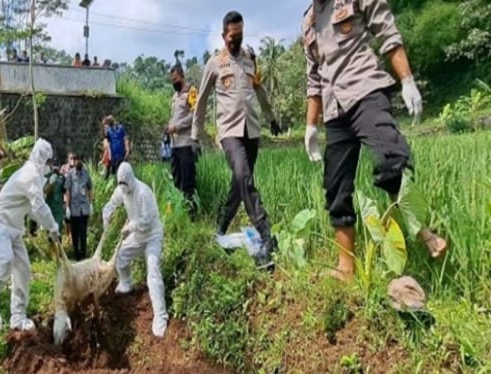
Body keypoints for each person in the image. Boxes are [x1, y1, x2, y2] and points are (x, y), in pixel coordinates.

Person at [301, 0, 447, 282]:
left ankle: (423, 232)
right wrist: (310, 126)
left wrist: (407, 80)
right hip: (334, 110)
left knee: (391, 157)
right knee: (336, 189)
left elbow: (387, 32)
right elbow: (313, 79)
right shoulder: (308, 21)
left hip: (366, 90)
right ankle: (346, 268)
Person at [191, 11, 282, 271]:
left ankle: (220, 227)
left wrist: (272, 117)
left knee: (239, 183)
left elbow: (259, 88)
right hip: (229, 132)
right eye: (232, 38)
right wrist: (196, 136)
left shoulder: (250, 58)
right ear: (223, 36)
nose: (236, 42)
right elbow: (201, 102)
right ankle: (266, 234)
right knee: (244, 176)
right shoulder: (214, 64)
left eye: (240, 36)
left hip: (251, 130)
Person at [0, 138, 60, 331]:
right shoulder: (30, 176)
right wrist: (53, 227)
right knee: (4, 260)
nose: (49, 166)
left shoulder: (34, 177)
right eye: (48, 162)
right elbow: (40, 206)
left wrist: (48, 229)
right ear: (41, 160)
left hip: (13, 228)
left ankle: (18, 317)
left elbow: (33, 211)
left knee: (23, 270)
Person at [102, 162, 168, 338]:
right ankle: (126, 283)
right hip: (137, 237)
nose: (123, 188)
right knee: (121, 257)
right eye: (121, 185)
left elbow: (147, 221)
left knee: (153, 270)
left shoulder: (143, 192)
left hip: (152, 235)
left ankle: (160, 316)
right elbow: (112, 203)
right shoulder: (121, 191)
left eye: (125, 185)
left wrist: (130, 227)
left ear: (131, 179)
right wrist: (106, 215)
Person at [167, 63, 198, 219]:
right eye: (172, 80)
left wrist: (177, 126)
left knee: (188, 181)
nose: (174, 82)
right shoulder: (174, 97)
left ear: (182, 76)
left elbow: (194, 116)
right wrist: (170, 127)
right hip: (174, 145)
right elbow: (175, 116)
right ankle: (180, 213)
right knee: (177, 180)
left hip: (186, 144)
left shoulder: (191, 92)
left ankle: (192, 215)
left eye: (176, 79)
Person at [65, 153, 94, 261]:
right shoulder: (70, 175)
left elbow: (90, 189)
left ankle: (83, 255)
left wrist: (91, 203)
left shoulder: (86, 174)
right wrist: (67, 207)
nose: (78, 162)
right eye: (76, 160)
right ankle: (76, 254)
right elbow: (67, 190)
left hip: (84, 208)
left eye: (80, 160)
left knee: (83, 233)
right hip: (74, 209)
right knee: (75, 233)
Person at [103, 115, 130, 180]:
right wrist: (107, 155)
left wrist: (127, 149)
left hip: (121, 154)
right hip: (113, 156)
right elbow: (107, 142)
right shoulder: (108, 131)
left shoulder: (121, 128)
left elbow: (125, 139)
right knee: (113, 173)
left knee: (121, 172)